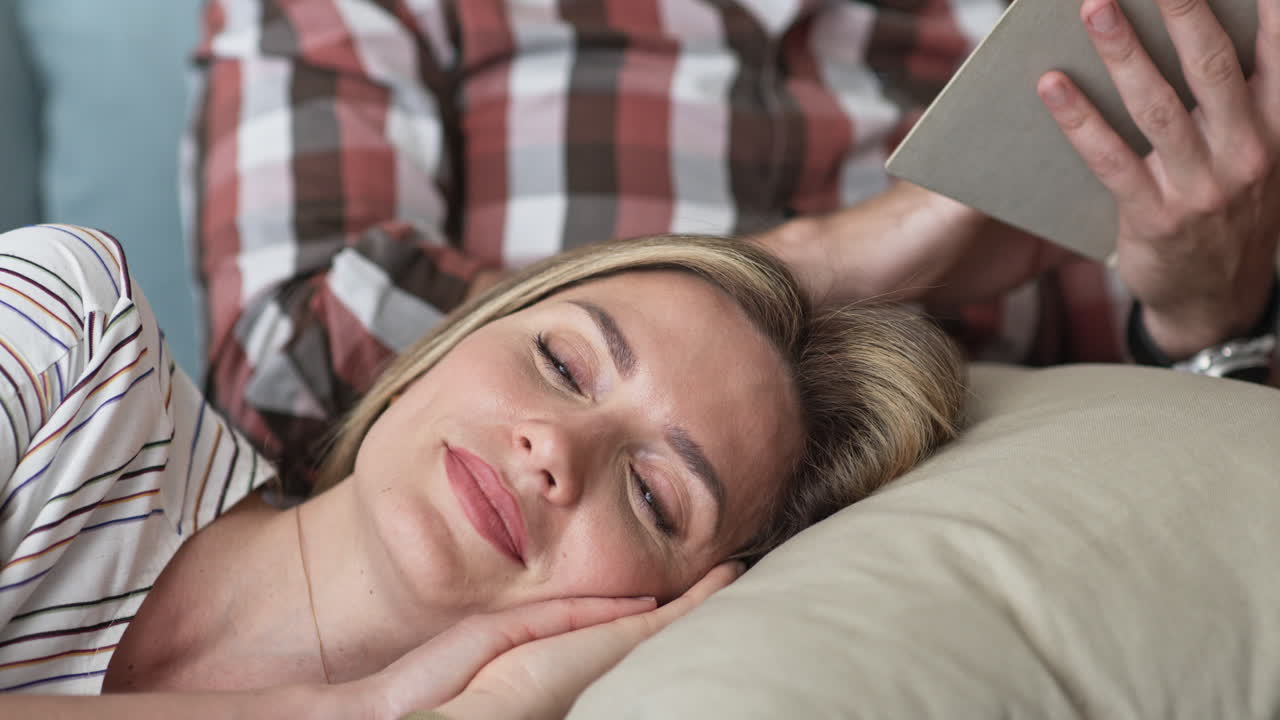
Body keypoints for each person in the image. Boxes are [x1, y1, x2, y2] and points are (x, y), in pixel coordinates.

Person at [187, 0, 1279, 496]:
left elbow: (1160, 473)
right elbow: (293, 372)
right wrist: (831, 261)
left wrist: (1206, 313)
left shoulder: (1040, 34)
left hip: (978, 548)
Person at [0, 224, 963, 717]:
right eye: (563, 364)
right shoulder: (75, 339)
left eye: (652, 496)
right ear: (457, 339)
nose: (556, 450)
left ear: (673, 611)